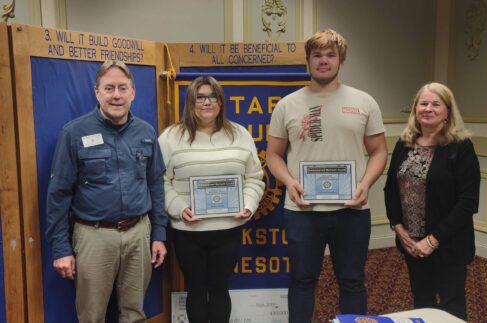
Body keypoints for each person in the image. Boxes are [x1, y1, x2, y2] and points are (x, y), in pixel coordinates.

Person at [266, 29, 387, 322]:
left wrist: (365, 184)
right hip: (303, 210)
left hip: (352, 210)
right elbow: (272, 155)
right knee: (302, 281)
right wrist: (289, 182)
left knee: (352, 281)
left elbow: (379, 151)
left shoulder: (364, 101)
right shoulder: (287, 105)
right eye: (317, 55)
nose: (323, 61)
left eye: (330, 55)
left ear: (340, 60)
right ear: (308, 61)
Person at [46, 60, 168, 323]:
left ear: (133, 93)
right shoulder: (74, 133)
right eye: (109, 88)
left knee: (135, 314)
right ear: (97, 91)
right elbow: (59, 194)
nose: (116, 95)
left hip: (139, 235)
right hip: (93, 236)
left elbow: (156, 184)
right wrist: (61, 249)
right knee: (91, 316)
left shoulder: (146, 133)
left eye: (123, 88)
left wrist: (158, 234)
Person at [158, 76, 265, 323]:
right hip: (188, 230)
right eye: (200, 97)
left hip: (228, 230)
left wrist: (248, 206)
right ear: (190, 102)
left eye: (213, 96)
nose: (207, 102)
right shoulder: (170, 137)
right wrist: (179, 208)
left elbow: (254, 177)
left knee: (219, 289)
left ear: (221, 101)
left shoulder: (240, 134)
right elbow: (159, 180)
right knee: (195, 289)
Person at [384, 82, 480, 321]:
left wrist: (432, 240)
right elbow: (390, 189)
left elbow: (468, 202)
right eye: (423, 103)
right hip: (412, 245)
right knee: (422, 304)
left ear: (448, 111)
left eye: (436, 104)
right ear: (415, 108)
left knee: (451, 308)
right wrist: (399, 229)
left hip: (448, 245)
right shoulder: (404, 143)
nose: (428, 108)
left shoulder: (461, 147)